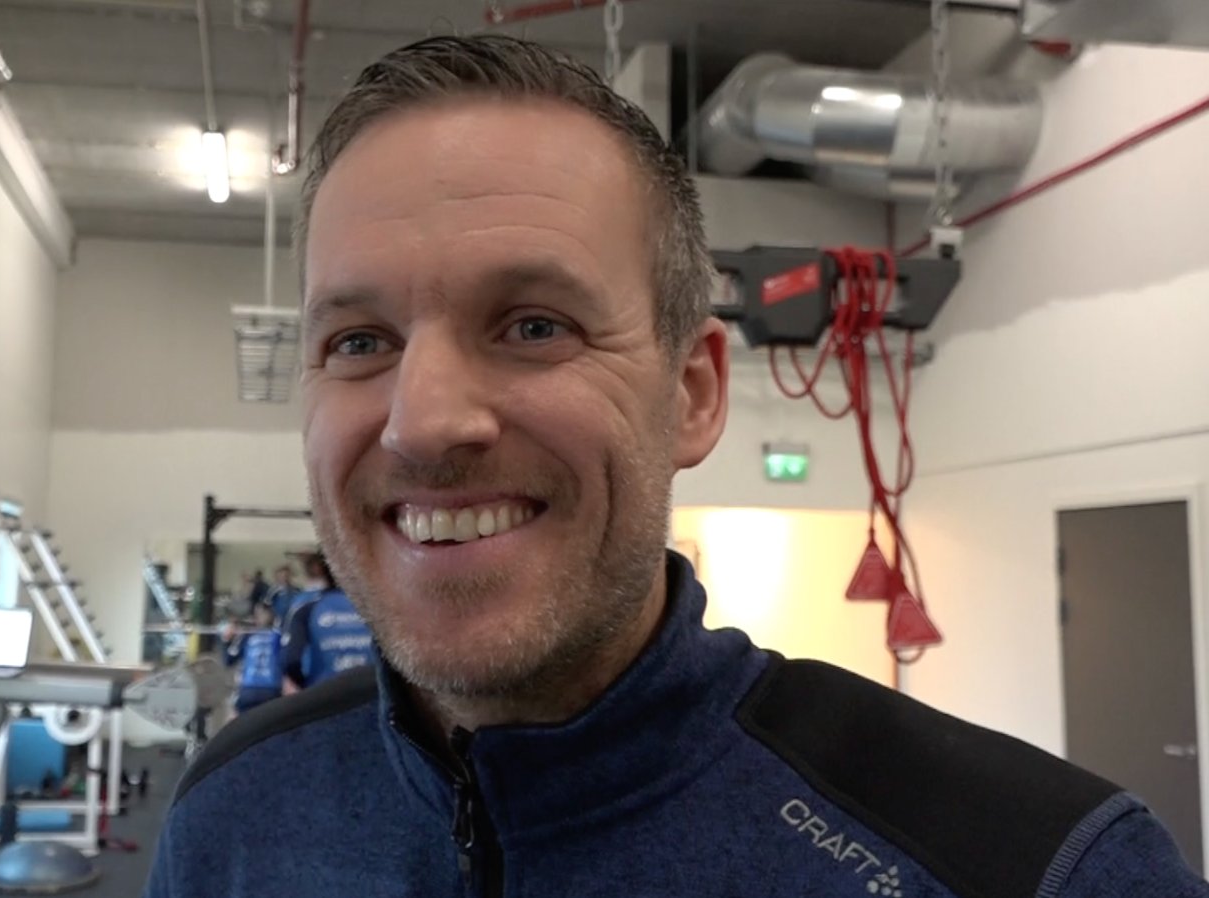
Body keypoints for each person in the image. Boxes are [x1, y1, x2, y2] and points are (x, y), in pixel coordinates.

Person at [145, 34, 1207, 898]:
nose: (421, 424)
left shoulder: (1033, 869)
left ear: (692, 393)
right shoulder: (235, 813)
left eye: (533, 325)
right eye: (359, 341)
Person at [278, 554, 372, 689]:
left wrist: (305, 686)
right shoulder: (372, 609)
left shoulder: (306, 607)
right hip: (371, 692)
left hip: (323, 690)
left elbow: (291, 660)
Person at [220, 602, 283, 714]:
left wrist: (226, 640)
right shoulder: (279, 636)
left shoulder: (248, 636)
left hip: (249, 690)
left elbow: (228, 660)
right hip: (271, 690)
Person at [265, 564, 301, 629]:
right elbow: (267, 606)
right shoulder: (274, 591)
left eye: (287, 576)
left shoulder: (297, 590)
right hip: (279, 622)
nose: (285, 578)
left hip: (293, 621)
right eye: (282, 576)